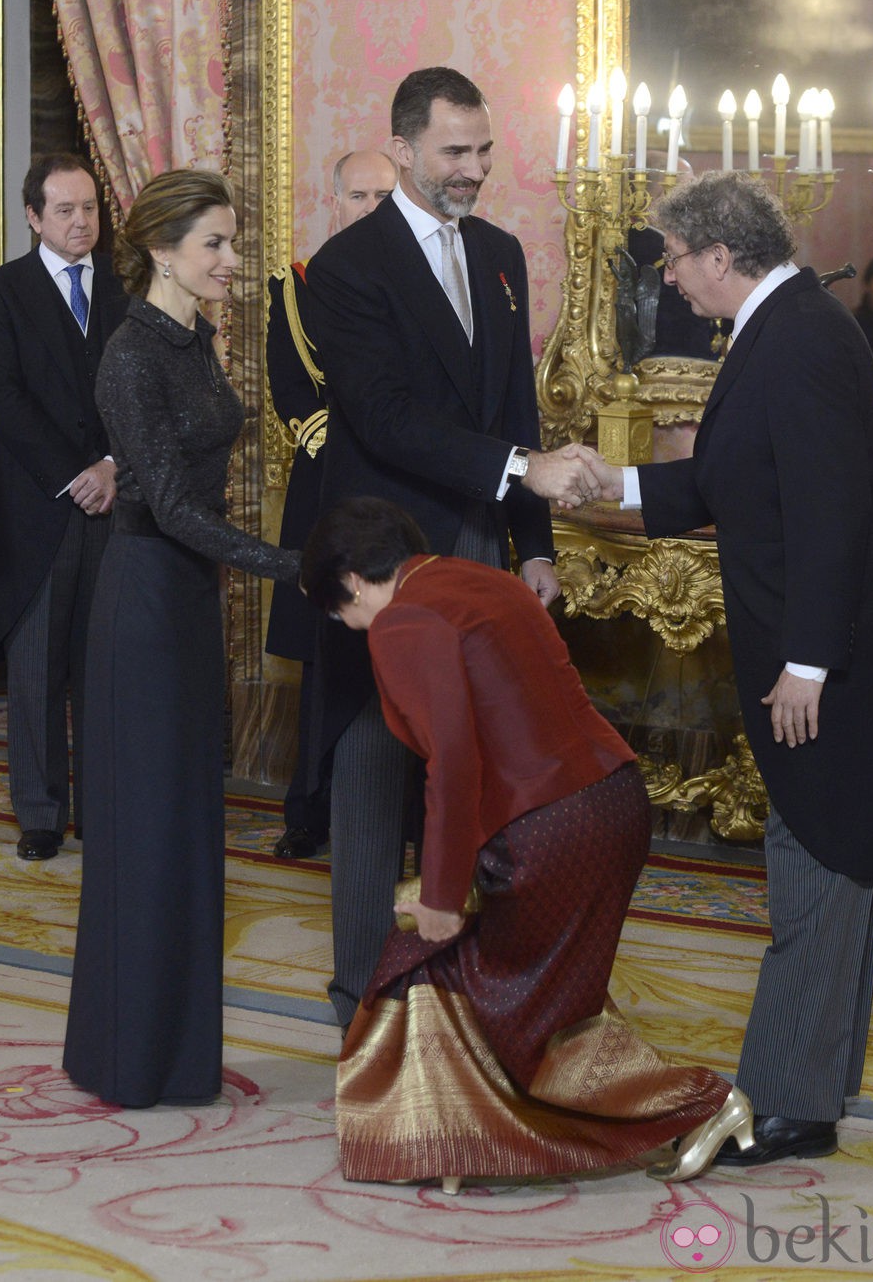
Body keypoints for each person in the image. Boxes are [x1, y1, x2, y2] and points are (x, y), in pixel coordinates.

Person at [592, 171, 873, 1166]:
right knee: (830, 855)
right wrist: (607, 479)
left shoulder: (803, 338)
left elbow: (827, 511)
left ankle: (783, 1105)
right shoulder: (780, 329)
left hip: (833, 650)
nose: (670, 278)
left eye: (675, 259)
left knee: (815, 854)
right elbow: (728, 476)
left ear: (720, 256)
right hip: (829, 641)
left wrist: (808, 665)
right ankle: (807, 1097)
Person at [300, 496, 752, 1188]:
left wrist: (444, 891)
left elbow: (452, 756)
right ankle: (468, 1140)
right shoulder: (480, 580)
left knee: (513, 1018)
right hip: (613, 805)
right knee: (513, 997)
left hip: (551, 828)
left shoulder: (399, 622)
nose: (343, 623)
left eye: (334, 608)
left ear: (353, 581)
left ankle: (703, 1102)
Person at [305, 66, 605, 1032]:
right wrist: (524, 470)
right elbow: (387, 422)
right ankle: (363, 992)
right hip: (384, 561)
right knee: (371, 766)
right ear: (401, 149)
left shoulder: (504, 253)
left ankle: (471, 986)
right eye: (454, 152)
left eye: (483, 150)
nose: (476, 169)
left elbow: (516, 409)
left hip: (481, 541)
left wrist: (536, 547)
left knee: (476, 765)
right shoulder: (347, 268)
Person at [63, 170, 300, 1108]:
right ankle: (131, 1057)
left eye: (233, 244)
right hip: (145, 602)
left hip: (188, 598)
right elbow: (164, 506)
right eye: (216, 245)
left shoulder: (194, 338)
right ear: (163, 250)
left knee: (187, 827)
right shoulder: (131, 353)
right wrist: (295, 567)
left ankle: (176, 1052)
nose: (233, 263)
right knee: (145, 832)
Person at [0, 153, 127, 861]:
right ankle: (39, 813)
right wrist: (76, 475)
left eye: (89, 207)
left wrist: (111, 467)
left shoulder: (129, 291)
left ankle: (102, 806)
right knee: (35, 668)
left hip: (118, 499)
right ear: (33, 217)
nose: (80, 221)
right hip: (40, 505)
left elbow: (140, 397)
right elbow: (6, 399)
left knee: (104, 663)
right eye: (64, 210)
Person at [265, 150, 397, 861]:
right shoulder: (295, 288)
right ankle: (307, 809)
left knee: (403, 654)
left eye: (386, 194)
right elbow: (293, 393)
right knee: (326, 657)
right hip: (326, 495)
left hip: (400, 499)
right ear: (334, 200)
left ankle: (399, 817)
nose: (372, 207)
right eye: (360, 195)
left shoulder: (419, 284)